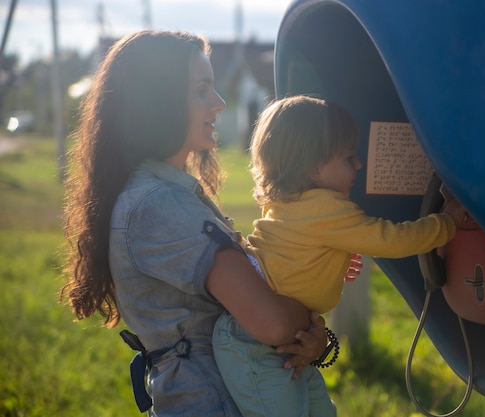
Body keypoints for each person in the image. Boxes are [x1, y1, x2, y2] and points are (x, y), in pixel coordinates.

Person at [60, 30, 330, 417]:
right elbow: (270, 321)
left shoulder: (166, 194)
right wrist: (314, 328)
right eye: (202, 90)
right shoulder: (160, 204)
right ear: (159, 101)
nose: (219, 104)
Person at [212, 95, 466, 417]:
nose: (358, 164)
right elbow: (391, 239)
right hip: (254, 345)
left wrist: (333, 262)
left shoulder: (289, 202)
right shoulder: (326, 207)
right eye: (348, 157)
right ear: (313, 166)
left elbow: (297, 254)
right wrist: (447, 223)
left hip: (267, 337)